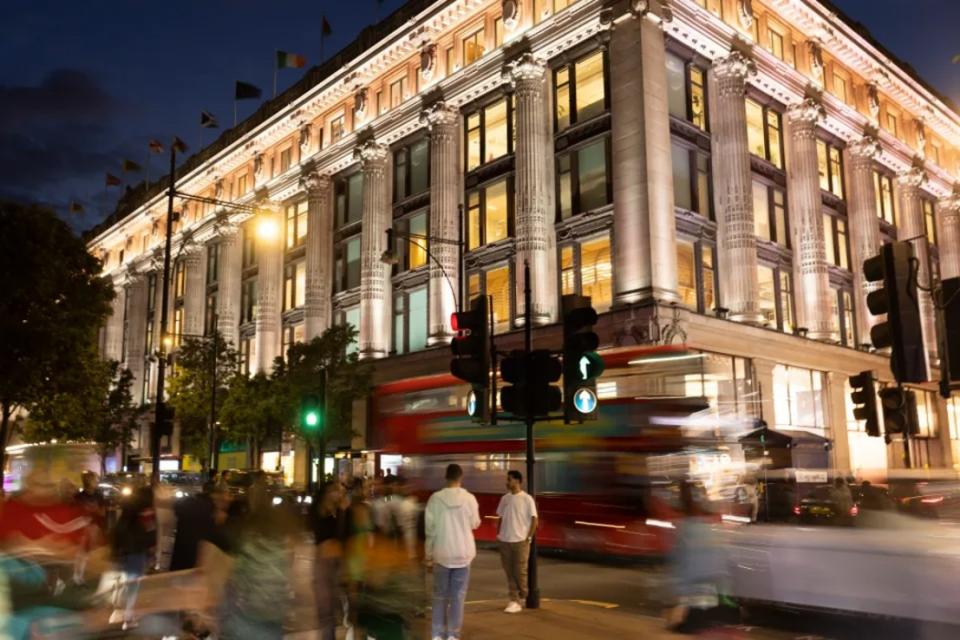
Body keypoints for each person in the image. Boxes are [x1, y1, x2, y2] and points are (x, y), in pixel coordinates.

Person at [425, 463, 480, 640]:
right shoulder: (470, 498)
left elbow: (430, 529)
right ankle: (453, 635)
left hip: (442, 553)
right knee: (458, 597)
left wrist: (428, 555)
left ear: (446, 477)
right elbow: (475, 523)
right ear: (460, 478)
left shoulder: (435, 498)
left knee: (439, 596)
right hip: (463, 554)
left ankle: (437, 634)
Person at [110, 485, 156, 630]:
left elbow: (118, 529)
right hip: (137, 552)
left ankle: (119, 609)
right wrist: (151, 550)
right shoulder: (146, 511)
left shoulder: (127, 509)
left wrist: (115, 549)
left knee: (127, 581)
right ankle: (128, 617)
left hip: (124, 551)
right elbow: (150, 531)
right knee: (134, 585)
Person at [495, 470, 538, 613]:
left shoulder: (527, 499)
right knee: (509, 572)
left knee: (520, 572)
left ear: (518, 481)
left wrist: (529, 537)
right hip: (505, 540)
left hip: (520, 540)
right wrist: (499, 534)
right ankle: (514, 600)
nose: (507, 482)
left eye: (510, 479)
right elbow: (500, 517)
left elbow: (534, 519)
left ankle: (523, 595)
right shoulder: (505, 499)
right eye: (507, 479)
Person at [309, 481, 345, 640]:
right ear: (327, 493)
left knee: (337, 605)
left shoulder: (340, 511)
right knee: (325, 608)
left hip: (337, 560)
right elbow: (320, 534)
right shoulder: (318, 511)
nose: (339, 493)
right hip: (323, 561)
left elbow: (342, 535)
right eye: (335, 490)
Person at [169, 481, 220, 571]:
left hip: (181, 551)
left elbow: (176, 509)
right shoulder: (210, 509)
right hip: (196, 556)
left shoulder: (187, 502)